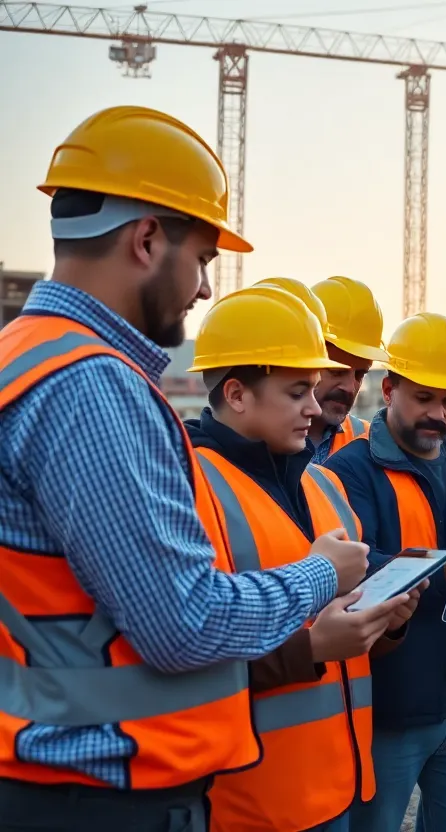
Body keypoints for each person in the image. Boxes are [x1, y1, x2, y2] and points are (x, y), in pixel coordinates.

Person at [0, 105, 367, 831]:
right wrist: (322, 573)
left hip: (65, 777)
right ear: (146, 240)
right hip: (103, 794)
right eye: (202, 259)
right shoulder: (88, 387)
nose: (204, 289)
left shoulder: (23, 356)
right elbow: (186, 623)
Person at [187, 283, 423, 832]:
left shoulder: (325, 486)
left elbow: (349, 634)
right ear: (238, 393)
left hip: (342, 784)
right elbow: (185, 655)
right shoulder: (186, 488)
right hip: (250, 802)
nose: (316, 408)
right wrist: (314, 647)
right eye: (298, 392)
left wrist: (387, 624)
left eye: (315, 390)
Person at [326, 312, 446, 832]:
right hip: (392, 704)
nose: (438, 413)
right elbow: (353, 565)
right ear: (389, 389)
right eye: (424, 398)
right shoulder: (348, 471)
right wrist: (437, 570)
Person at [308, 275, 391, 463]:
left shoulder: (374, 446)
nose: (350, 387)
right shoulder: (256, 438)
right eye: (337, 370)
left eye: (360, 374)